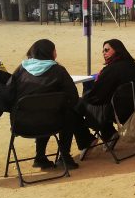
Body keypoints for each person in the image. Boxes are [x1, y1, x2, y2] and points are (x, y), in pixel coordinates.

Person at [7, 39, 94, 170]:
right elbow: (73, 97)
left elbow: (8, 94)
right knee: (66, 113)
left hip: (21, 124)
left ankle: (40, 156)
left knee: (43, 111)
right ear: (51, 53)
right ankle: (65, 156)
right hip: (52, 123)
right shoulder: (58, 70)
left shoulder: (21, 70)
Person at [77, 39, 135, 150]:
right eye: (103, 51)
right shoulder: (134, 67)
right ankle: (109, 134)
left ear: (117, 50)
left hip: (115, 111)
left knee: (77, 106)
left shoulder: (112, 70)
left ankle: (88, 139)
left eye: (107, 50)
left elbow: (97, 96)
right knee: (93, 101)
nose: (104, 53)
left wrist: (85, 97)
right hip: (130, 108)